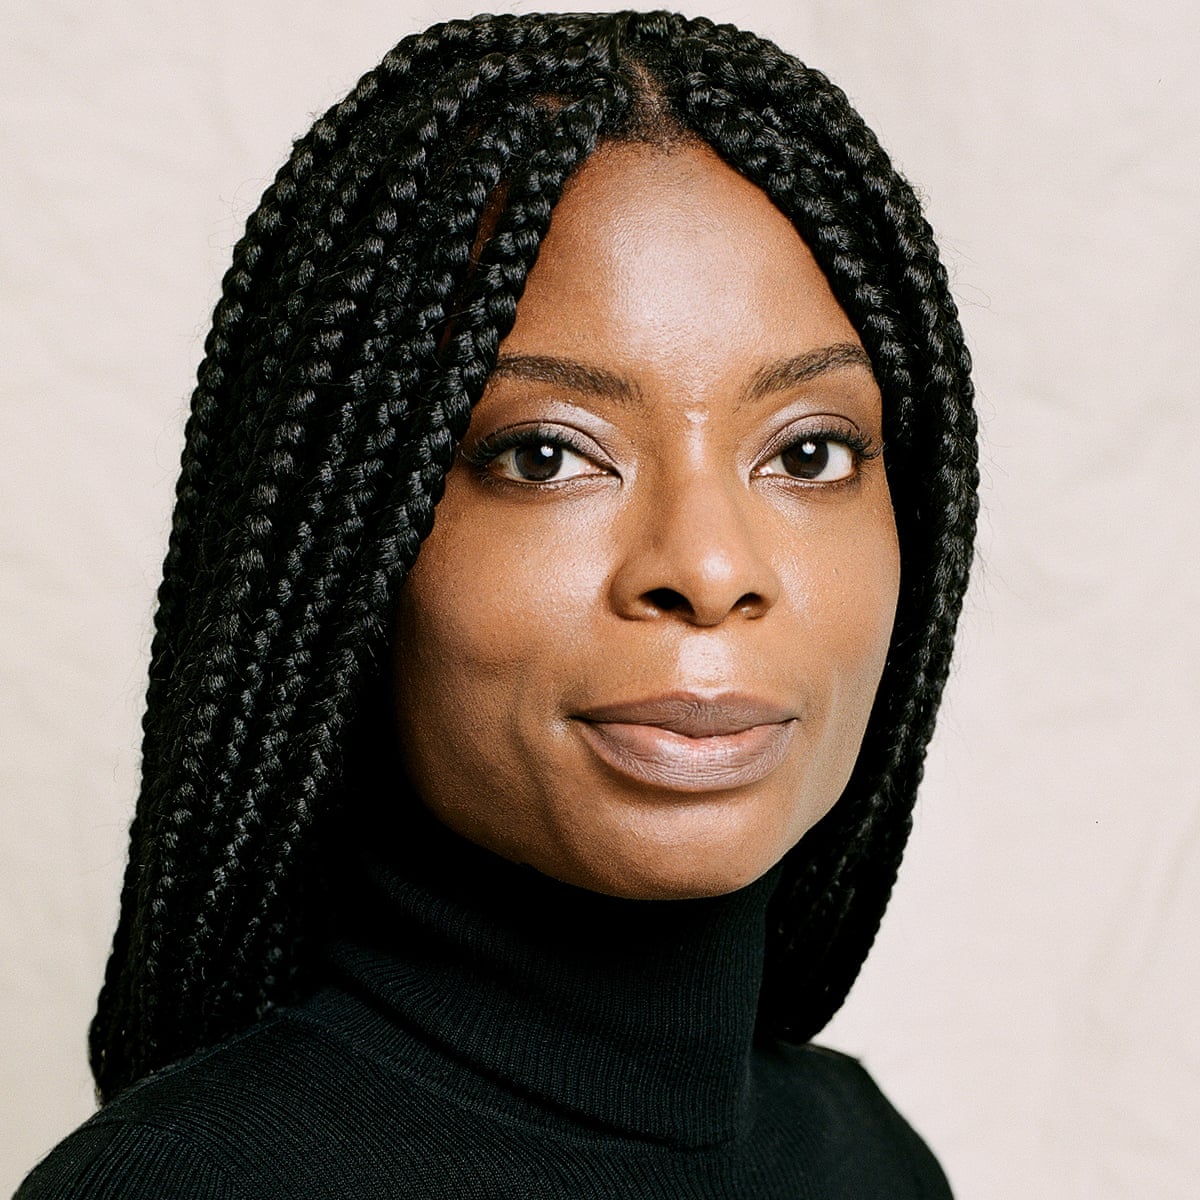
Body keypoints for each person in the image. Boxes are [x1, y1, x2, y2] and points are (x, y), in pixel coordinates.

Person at [16, 10, 977, 1198]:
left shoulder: (868, 1159)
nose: (709, 566)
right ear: (356, 535)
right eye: (543, 454)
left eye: (810, 451)